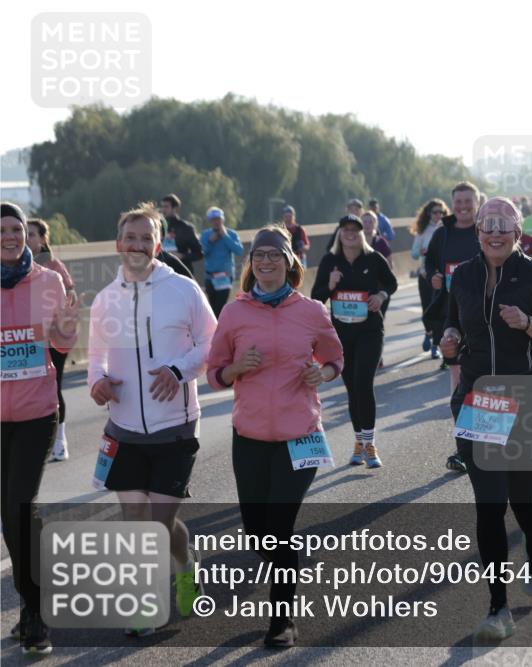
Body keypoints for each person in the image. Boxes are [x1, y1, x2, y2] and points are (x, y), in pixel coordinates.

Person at [439, 197, 532, 640]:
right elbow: (451, 318)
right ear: (477, 232)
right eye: (486, 226)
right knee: (489, 505)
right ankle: (498, 607)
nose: (494, 233)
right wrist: (451, 336)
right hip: (480, 400)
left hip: (528, 395)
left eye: (503, 226)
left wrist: (528, 323)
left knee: (523, 503)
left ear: (517, 233)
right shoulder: (464, 275)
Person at [207, 225, 344, 647]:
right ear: (251, 262)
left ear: (290, 262)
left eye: (275, 255)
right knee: (258, 533)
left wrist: (320, 373)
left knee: (280, 529)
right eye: (259, 255)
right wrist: (236, 369)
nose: (266, 262)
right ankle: (283, 566)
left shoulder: (312, 312)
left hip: (299, 434)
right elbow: (214, 373)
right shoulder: (234, 312)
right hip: (248, 436)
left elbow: (336, 357)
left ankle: (281, 619)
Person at [87, 202, 217, 636]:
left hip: (175, 426)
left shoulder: (182, 290)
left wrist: (179, 370)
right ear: (119, 244)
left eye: (147, 238)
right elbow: (96, 357)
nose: (138, 245)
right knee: (135, 521)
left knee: (159, 524)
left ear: (158, 246)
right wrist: (98, 383)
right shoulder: (106, 299)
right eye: (131, 238)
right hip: (123, 427)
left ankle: (185, 566)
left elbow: (211, 344)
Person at [2, 203, 79, 655]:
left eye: (17, 229)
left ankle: (37, 613)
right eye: (2, 230)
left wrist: (67, 327)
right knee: (10, 517)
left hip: (36, 411)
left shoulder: (47, 280)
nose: (10, 236)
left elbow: (61, 343)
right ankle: (33, 607)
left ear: (28, 234)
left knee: (18, 505)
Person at [311, 215, 396, 467]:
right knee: (351, 387)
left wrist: (380, 296)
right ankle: (358, 441)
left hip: (370, 330)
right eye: (345, 230)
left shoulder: (373, 258)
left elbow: (391, 283)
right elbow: (317, 297)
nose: (350, 234)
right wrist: (330, 284)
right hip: (341, 334)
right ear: (339, 234)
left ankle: (370, 445)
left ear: (361, 234)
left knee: (363, 383)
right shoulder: (330, 261)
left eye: (355, 230)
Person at [424, 182, 482, 469]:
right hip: (451, 318)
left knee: (485, 383)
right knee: (459, 381)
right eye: (457, 201)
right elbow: (430, 264)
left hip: (484, 318)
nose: (462, 206)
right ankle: (464, 449)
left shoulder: (487, 231)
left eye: (467, 201)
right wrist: (434, 276)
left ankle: (486, 442)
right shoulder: (442, 234)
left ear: (477, 202)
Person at [25, 218, 77, 462]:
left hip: (53, 337)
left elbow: (70, 297)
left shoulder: (54, 266)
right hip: (27, 337)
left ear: (43, 239)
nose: (26, 238)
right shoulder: (13, 265)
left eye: (31, 234)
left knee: (53, 386)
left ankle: (59, 442)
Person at [411, 199, 447, 358]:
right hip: (425, 275)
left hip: (441, 276)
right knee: (426, 310)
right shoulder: (422, 231)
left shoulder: (448, 229)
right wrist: (422, 250)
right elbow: (413, 254)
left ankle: (435, 345)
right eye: (435, 212)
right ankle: (428, 332)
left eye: (441, 212)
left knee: (439, 310)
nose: (438, 215)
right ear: (428, 214)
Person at [200, 207, 244, 318]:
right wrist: (210, 241)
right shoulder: (205, 235)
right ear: (210, 221)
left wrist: (225, 236)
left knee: (221, 307)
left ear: (222, 219)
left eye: (218, 219)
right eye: (213, 219)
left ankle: (221, 330)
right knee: (212, 307)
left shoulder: (231, 234)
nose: (216, 222)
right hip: (210, 277)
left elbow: (239, 250)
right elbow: (201, 253)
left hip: (225, 276)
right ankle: (215, 331)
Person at [159, 194, 203, 276]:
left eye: (166, 207)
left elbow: (198, 254)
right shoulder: (157, 226)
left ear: (175, 208)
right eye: (162, 206)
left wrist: (182, 256)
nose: (163, 210)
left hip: (181, 272)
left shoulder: (186, 228)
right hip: (161, 273)